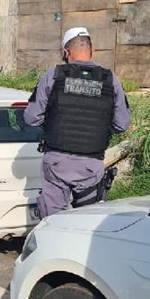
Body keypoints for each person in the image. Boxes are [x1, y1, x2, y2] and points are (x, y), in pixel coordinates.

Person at [24, 27, 130, 218]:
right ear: (93, 51)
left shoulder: (53, 75)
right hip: (91, 165)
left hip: (57, 162)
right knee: (86, 223)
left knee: (52, 224)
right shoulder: (110, 80)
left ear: (66, 52)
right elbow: (121, 124)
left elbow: (31, 118)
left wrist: (53, 121)